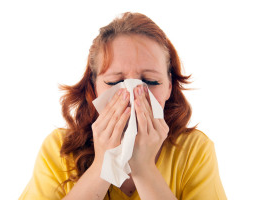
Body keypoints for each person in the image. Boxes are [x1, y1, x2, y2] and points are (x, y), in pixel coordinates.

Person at [19, 12, 227, 200]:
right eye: (114, 83)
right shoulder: (59, 149)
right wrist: (103, 164)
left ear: (169, 87)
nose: (133, 94)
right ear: (94, 87)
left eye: (151, 82)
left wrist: (144, 168)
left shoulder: (194, 150)